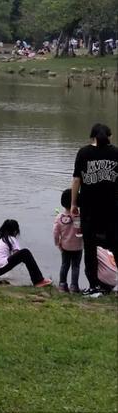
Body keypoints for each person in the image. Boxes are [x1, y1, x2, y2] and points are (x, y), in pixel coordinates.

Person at [71, 123, 118, 298]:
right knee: (115, 245)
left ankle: (93, 286)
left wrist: (74, 203)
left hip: (89, 209)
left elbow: (76, 180)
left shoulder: (83, 153)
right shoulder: (116, 153)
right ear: (109, 136)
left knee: (90, 248)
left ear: (92, 136)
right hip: (111, 208)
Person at [0, 220, 52, 287]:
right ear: (15, 231)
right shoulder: (11, 238)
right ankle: (38, 281)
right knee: (25, 252)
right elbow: (17, 254)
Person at [53, 188, 83, 292]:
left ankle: (62, 285)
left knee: (64, 265)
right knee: (76, 266)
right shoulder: (80, 217)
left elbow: (55, 233)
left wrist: (57, 243)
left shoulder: (59, 217)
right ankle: (74, 287)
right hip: (78, 247)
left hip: (65, 246)